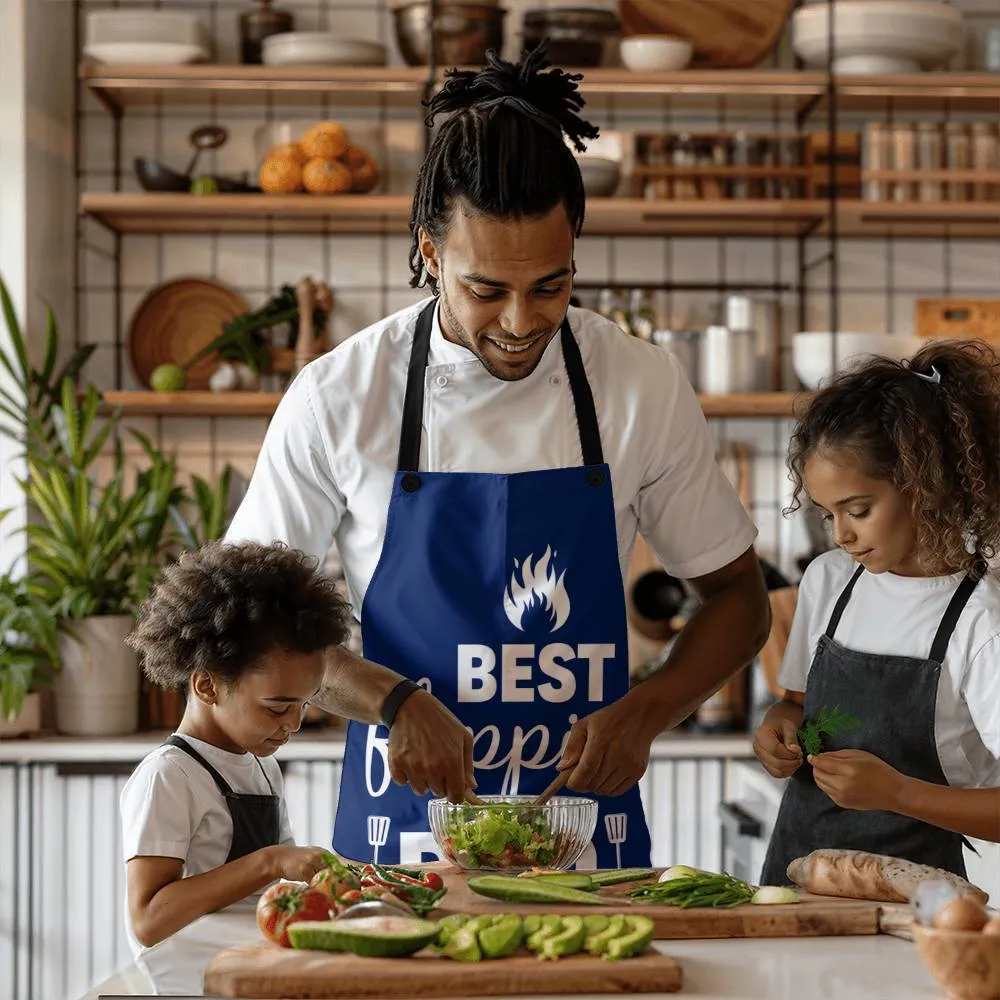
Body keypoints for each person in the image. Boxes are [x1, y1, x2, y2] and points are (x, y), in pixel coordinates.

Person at [225, 46, 770, 869]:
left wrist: (650, 708)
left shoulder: (638, 383)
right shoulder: (340, 396)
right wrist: (391, 699)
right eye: (487, 289)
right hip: (398, 846)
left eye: (551, 286)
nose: (520, 321)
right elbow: (246, 622)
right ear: (432, 254)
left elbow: (740, 599)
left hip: (582, 844)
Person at [755, 339, 1000, 885]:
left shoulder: (982, 621)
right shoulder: (830, 581)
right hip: (796, 879)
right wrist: (776, 729)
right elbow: (793, 705)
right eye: (827, 515)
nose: (842, 534)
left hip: (913, 901)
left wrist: (898, 794)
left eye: (858, 510)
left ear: (925, 486)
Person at [119, 541, 353, 993]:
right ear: (207, 685)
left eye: (303, 706)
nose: (293, 725)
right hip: (198, 984)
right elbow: (149, 920)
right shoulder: (170, 775)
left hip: (255, 973)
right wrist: (269, 862)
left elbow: (277, 884)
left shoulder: (262, 765)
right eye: (277, 707)